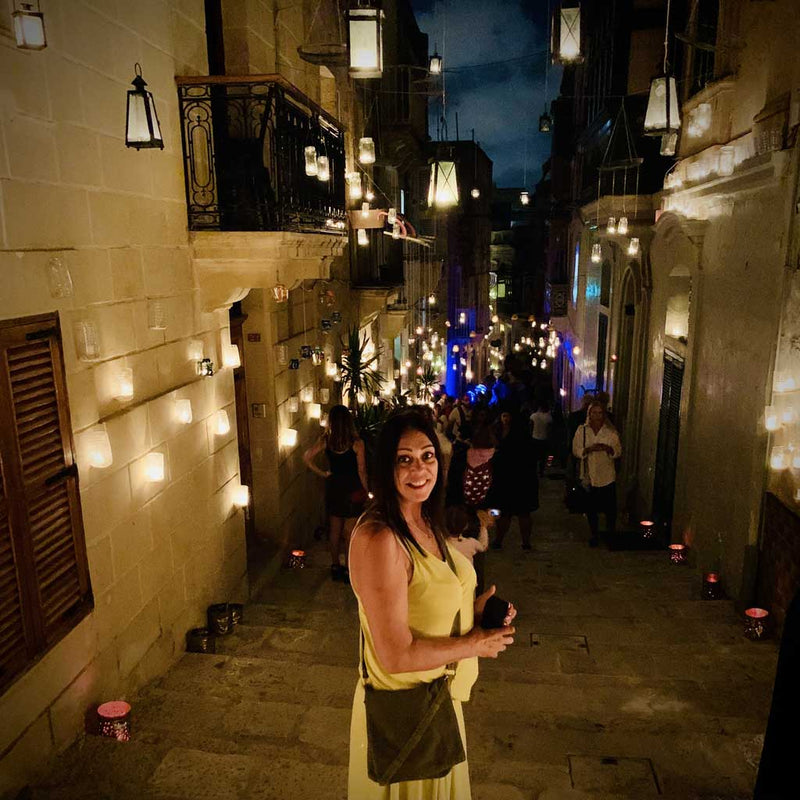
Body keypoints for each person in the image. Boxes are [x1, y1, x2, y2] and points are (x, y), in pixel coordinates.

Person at [347, 410, 516, 798]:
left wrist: (474, 616)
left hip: (439, 704)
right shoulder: (381, 539)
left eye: (427, 456)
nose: (418, 469)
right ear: (385, 466)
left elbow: (425, 602)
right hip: (406, 715)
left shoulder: (425, 519)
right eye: (404, 459)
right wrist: (474, 645)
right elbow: (394, 655)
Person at [303, 404, 368, 582]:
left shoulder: (327, 441)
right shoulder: (357, 443)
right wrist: (367, 490)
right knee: (349, 532)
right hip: (352, 488)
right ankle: (348, 567)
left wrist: (323, 474)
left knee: (334, 529)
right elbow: (361, 470)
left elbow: (307, 456)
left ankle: (334, 565)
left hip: (334, 486)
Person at [572, 400, 622, 547]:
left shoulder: (610, 432)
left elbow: (618, 450)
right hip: (590, 474)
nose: (597, 416)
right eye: (594, 413)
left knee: (610, 507)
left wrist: (608, 449)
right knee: (591, 507)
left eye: (600, 413)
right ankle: (594, 533)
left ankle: (610, 532)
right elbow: (576, 449)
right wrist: (588, 450)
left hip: (607, 473)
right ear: (589, 414)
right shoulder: (582, 431)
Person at [490, 409, 539, 550]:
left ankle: (503, 541)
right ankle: (522, 542)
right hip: (517, 478)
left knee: (512, 513)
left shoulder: (511, 435)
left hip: (513, 478)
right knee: (516, 513)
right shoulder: (521, 434)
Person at [529, 402, 553, 477]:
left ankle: (534, 470)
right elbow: (550, 429)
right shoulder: (548, 417)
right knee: (543, 456)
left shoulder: (533, 416)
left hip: (534, 437)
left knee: (534, 456)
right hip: (544, 438)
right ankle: (541, 471)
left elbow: (530, 426)